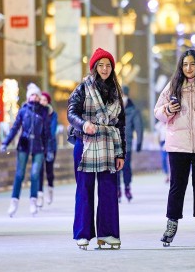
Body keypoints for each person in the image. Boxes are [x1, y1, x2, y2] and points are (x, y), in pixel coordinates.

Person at [154, 49, 195, 247]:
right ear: (180, 67)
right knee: (177, 186)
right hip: (178, 144)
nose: (188, 68)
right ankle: (171, 224)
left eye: (192, 64)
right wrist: (167, 110)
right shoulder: (173, 86)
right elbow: (158, 111)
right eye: (185, 64)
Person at [67, 48, 126, 250]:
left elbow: (121, 125)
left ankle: (107, 234)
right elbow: (71, 113)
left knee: (109, 189)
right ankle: (82, 234)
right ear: (94, 67)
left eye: (108, 65)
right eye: (100, 65)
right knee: (84, 189)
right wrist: (83, 124)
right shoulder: (83, 88)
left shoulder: (116, 92)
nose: (104, 68)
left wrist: (121, 153)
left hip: (109, 146)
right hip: (85, 143)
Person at [1, 83, 51, 217]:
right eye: (32, 94)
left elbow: (46, 132)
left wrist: (49, 149)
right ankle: (14, 201)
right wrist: (6, 142)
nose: (34, 97)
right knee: (20, 174)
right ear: (28, 97)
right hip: (24, 144)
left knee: (35, 174)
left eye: (36, 95)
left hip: (38, 145)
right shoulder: (23, 111)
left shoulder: (43, 111)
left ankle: (33, 201)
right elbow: (15, 128)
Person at [118, 85, 144, 203]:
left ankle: (127, 187)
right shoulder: (113, 109)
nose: (123, 98)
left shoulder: (133, 111)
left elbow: (139, 127)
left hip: (126, 144)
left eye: (124, 96)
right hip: (113, 144)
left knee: (126, 167)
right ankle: (117, 189)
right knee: (115, 168)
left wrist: (139, 143)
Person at [39, 91, 58, 205]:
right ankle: (40, 194)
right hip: (39, 146)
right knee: (39, 171)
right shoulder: (36, 113)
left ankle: (50, 189)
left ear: (48, 102)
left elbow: (52, 130)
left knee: (49, 171)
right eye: (41, 100)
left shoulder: (53, 114)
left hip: (50, 146)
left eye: (45, 100)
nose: (43, 102)